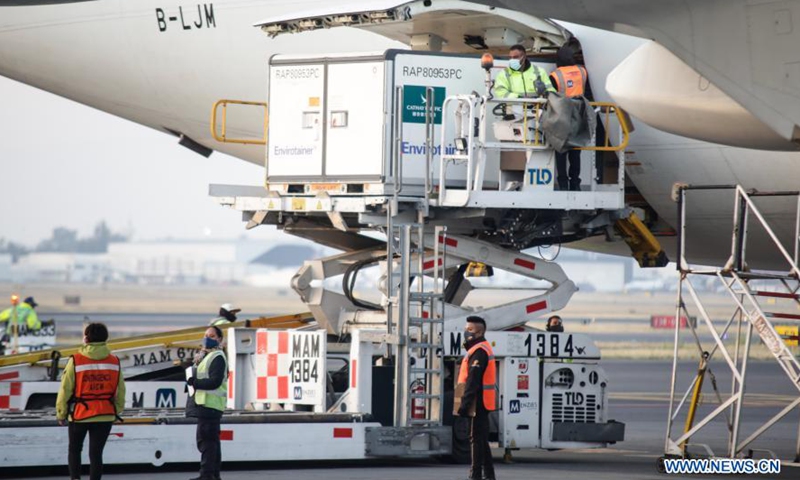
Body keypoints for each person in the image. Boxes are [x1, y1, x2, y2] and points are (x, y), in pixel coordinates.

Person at [56, 322, 125, 480]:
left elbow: (65, 389)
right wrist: (117, 410)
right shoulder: (114, 361)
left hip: (80, 414)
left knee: (74, 450)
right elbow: (120, 389)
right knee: (96, 454)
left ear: (86, 338)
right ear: (105, 338)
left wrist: (61, 413)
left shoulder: (76, 360)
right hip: (105, 414)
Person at [456, 316, 498, 480]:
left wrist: (464, 405)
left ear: (479, 332)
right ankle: (489, 475)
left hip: (478, 403)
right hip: (481, 401)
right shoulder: (478, 349)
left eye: (470, 330)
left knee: (475, 439)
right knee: (481, 439)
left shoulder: (480, 351)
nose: (466, 332)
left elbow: (473, 382)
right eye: (466, 329)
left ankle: (475, 475)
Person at [186, 326, 227, 480]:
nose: (207, 338)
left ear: (219, 339)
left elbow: (215, 381)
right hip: (207, 405)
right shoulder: (206, 356)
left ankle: (207, 475)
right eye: (206, 335)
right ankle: (213, 475)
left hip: (209, 405)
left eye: (212, 335)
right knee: (212, 443)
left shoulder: (217, 356)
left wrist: (195, 382)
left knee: (206, 442)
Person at [549, 44, 590, 191]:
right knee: (575, 150)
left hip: (562, 114)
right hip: (579, 113)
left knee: (561, 150)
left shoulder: (556, 75)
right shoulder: (582, 71)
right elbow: (588, 91)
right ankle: (575, 183)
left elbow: (551, 95)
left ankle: (563, 183)